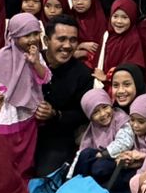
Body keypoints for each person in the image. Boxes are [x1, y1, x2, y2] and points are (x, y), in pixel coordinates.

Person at [0, 13, 50, 177]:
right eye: (27, 35)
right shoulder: (4, 55)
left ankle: (22, 180)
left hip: (28, 110)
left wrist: (35, 62)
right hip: (8, 110)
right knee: (5, 149)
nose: (32, 39)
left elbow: (45, 77)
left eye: (35, 34)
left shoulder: (36, 55)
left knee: (26, 150)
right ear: (15, 36)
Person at [23, 16, 94, 178]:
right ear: (46, 40)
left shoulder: (82, 74)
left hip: (56, 138)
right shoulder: (29, 60)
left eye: (73, 40)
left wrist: (56, 114)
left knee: (44, 180)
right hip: (22, 132)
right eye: (61, 39)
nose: (67, 46)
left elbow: (83, 114)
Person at [98, 0, 145, 81]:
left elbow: (131, 69)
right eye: (115, 16)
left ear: (132, 18)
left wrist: (106, 77)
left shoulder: (133, 40)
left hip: (121, 84)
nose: (119, 21)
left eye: (124, 17)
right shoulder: (108, 35)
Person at [70, 0, 109, 68]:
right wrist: (81, 46)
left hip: (100, 66)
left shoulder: (103, 20)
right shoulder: (69, 19)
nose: (79, 2)